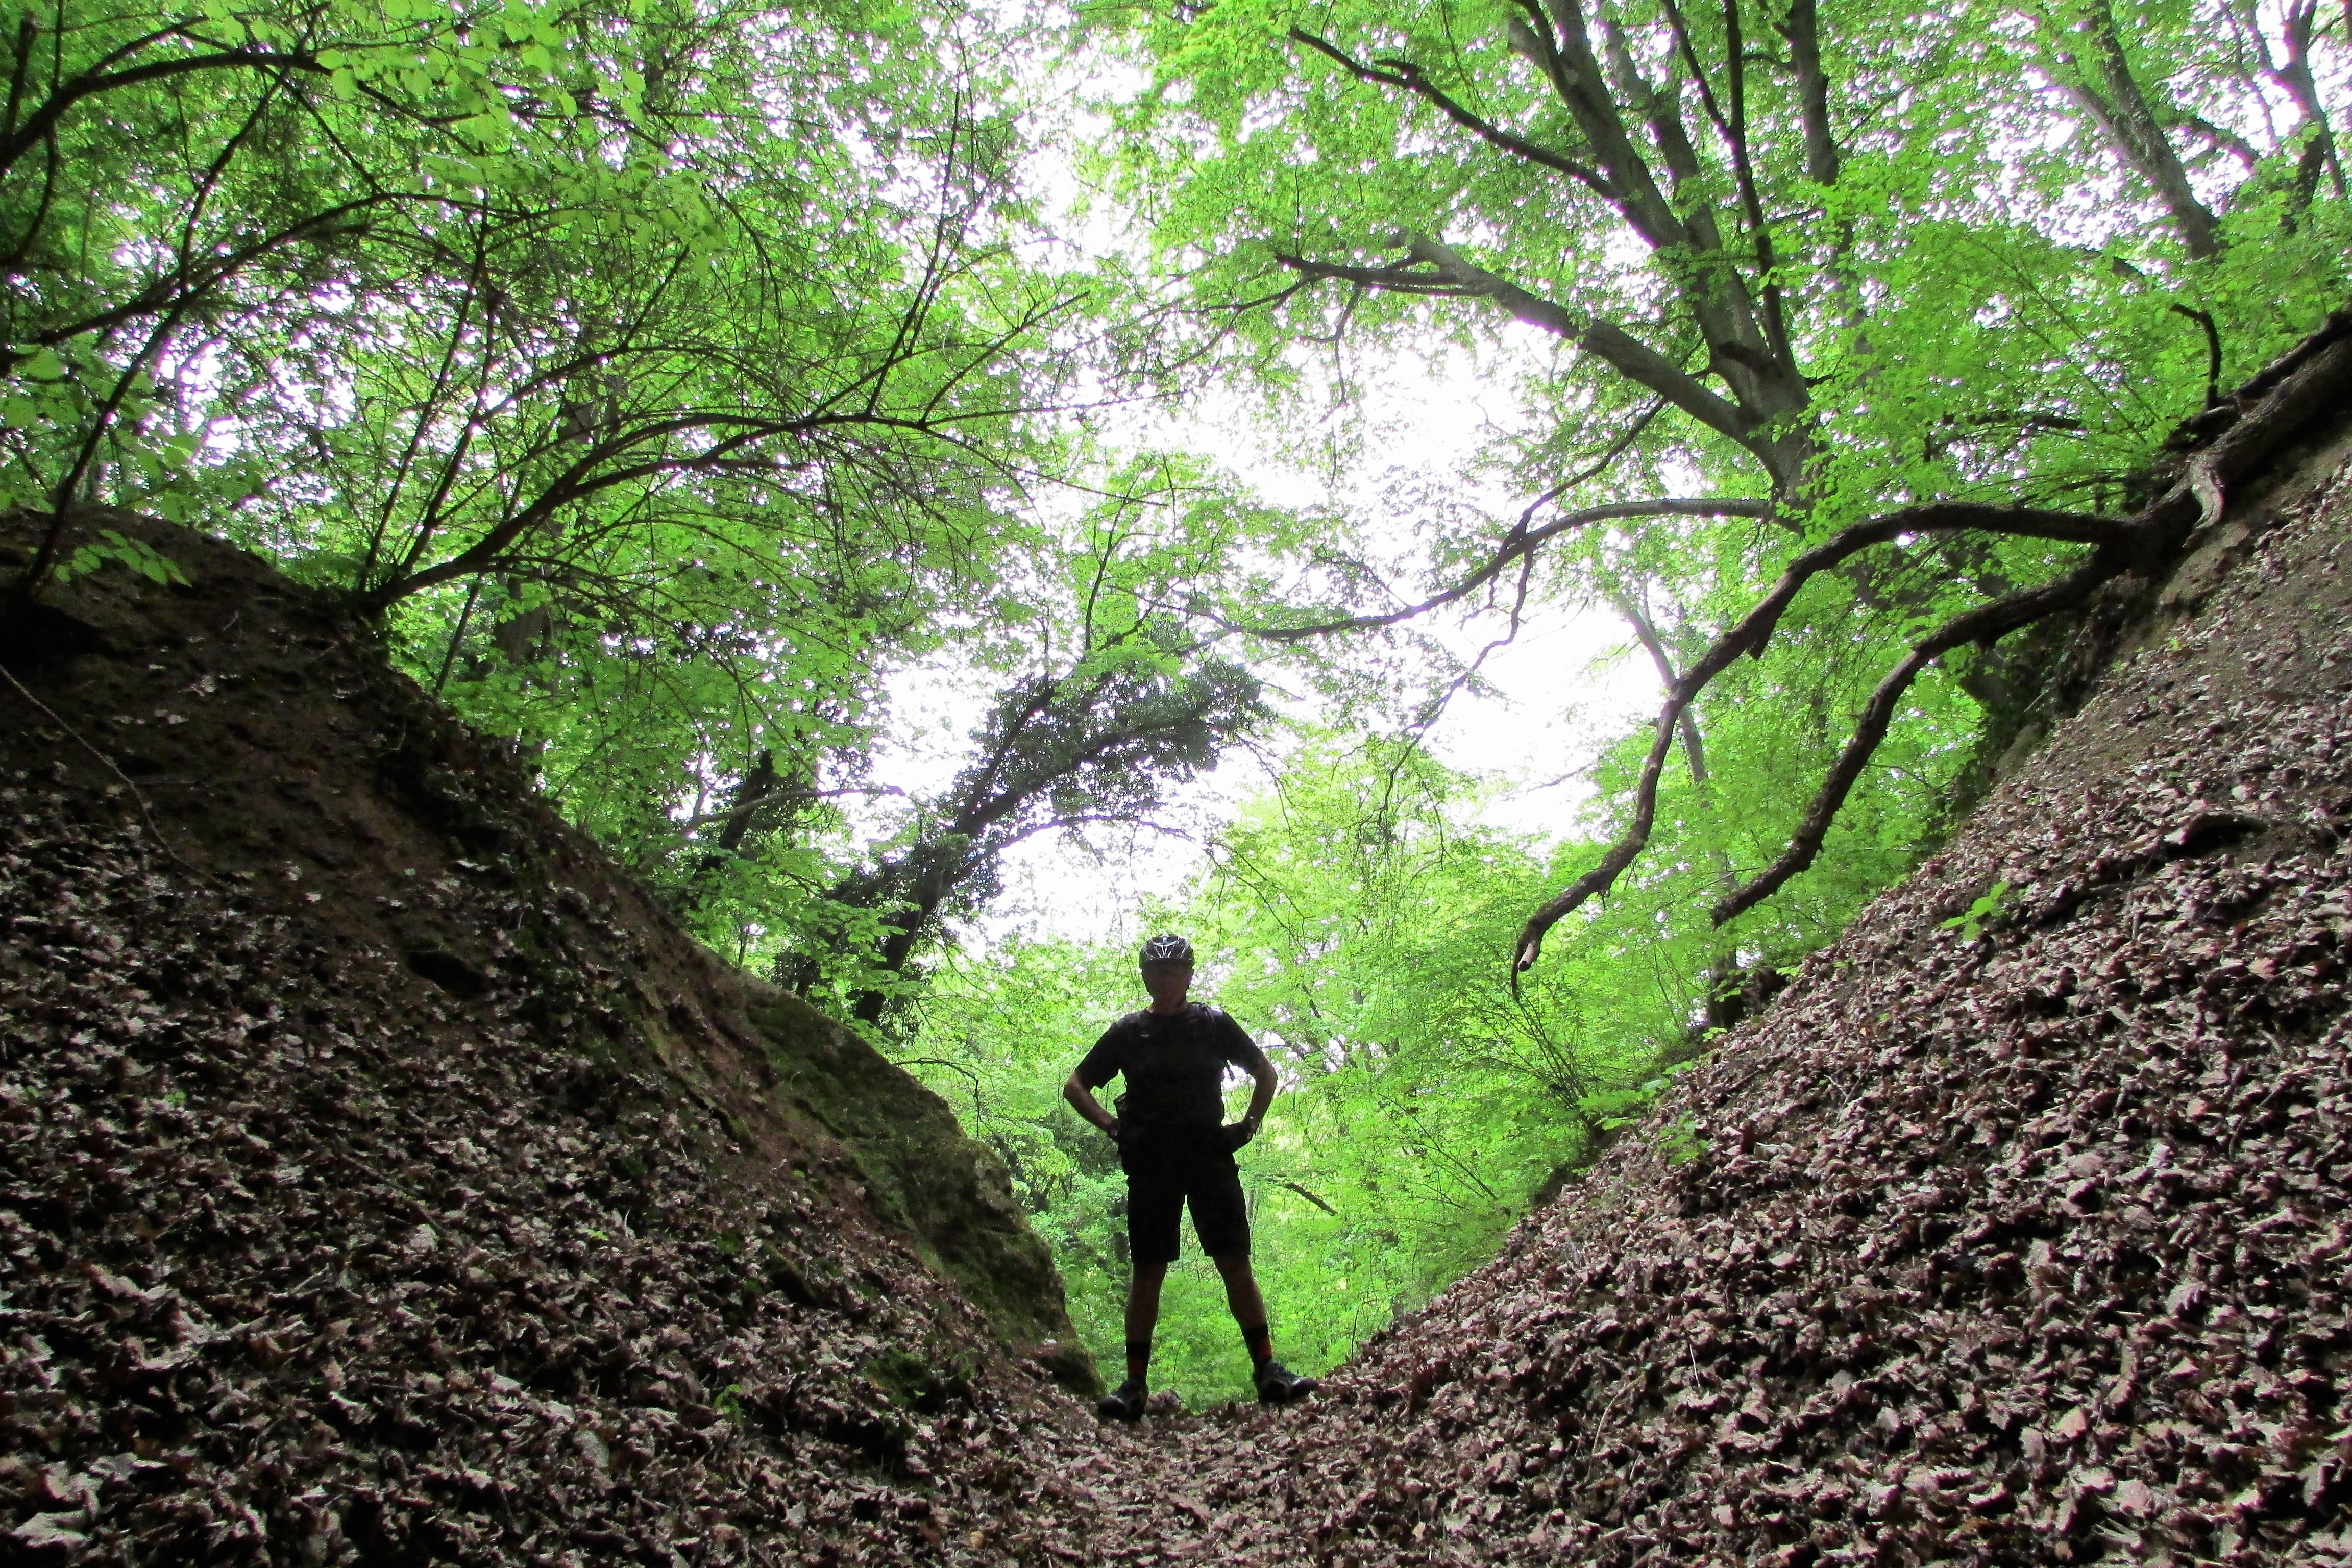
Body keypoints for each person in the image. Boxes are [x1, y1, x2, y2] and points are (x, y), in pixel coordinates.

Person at [1063, 933, 1319, 1418]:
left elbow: (1266, 1073)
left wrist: (1248, 1126)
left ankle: (1268, 1369)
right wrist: (1113, 1127)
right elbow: (1076, 1086)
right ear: (1146, 977)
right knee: (1148, 1269)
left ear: (1189, 975)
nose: (1167, 979)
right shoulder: (1129, 1031)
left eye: (1175, 970)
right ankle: (1134, 1384)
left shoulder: (1213, 1024)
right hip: (1151, 1162)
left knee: (1233, 1261)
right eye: (1158, 971)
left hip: (1208, 1157)